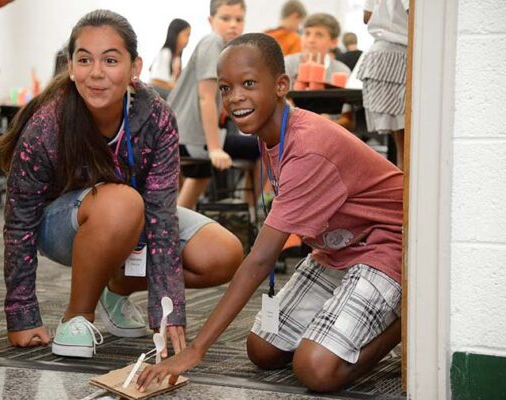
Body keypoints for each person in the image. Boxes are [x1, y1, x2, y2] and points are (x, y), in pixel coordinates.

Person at [137, 33, 403, 393]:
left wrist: (196, 350)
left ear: (281, 85)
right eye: (227, 88)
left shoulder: (308, 147)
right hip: (339, 250)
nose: (235, 98)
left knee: (315, 369)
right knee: (263, 349)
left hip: (388, 247)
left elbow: (260, 260)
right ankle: (342, 324)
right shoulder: (269, 131)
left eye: (249, 84)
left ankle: (403, 322)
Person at [0, 9, 243, 359]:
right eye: (84, 60)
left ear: (135, 69)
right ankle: (78, 316)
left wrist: (166, 309)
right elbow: (20, 219)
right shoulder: (49, 123)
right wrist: (20, 313)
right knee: (123, 202)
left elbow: (160, 213)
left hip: (134, 217)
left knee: (223, 253)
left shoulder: (156, 115)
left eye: (111, 60)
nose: (96, 73)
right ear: (71, 67)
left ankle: (116, 286)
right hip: (60, 226)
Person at [168, 0, 261, 210]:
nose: (233, 25)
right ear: (211, 20)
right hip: (190, 135)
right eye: (225, 18)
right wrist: (215, 149)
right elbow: (206, 98)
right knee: (266, 146)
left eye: (238, 19)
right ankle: (250, 212)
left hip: (184, 133)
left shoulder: (226, 50)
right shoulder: (213, 42)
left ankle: (176, 224)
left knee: (200, 177)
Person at [357, 0, 409, 169]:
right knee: (410, 144)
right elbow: (415, 13)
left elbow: (367, 15)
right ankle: (406, 193)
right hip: (399, 54)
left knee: (402, 144)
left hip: (379, 56)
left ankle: (402, 192)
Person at [284, 13, 354, 131]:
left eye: (319, 35)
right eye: (307, 33)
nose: (311, 40)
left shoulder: (342, 72)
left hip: (329, 134)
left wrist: (328, 123)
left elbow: (349, 120)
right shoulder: (286, 65)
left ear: (334, 42)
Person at [149, 18, 191, 99]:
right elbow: (155, 81)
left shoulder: (178, 59)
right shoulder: (165, 53)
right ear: (176, 34)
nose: (188, 39)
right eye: (186, 35)